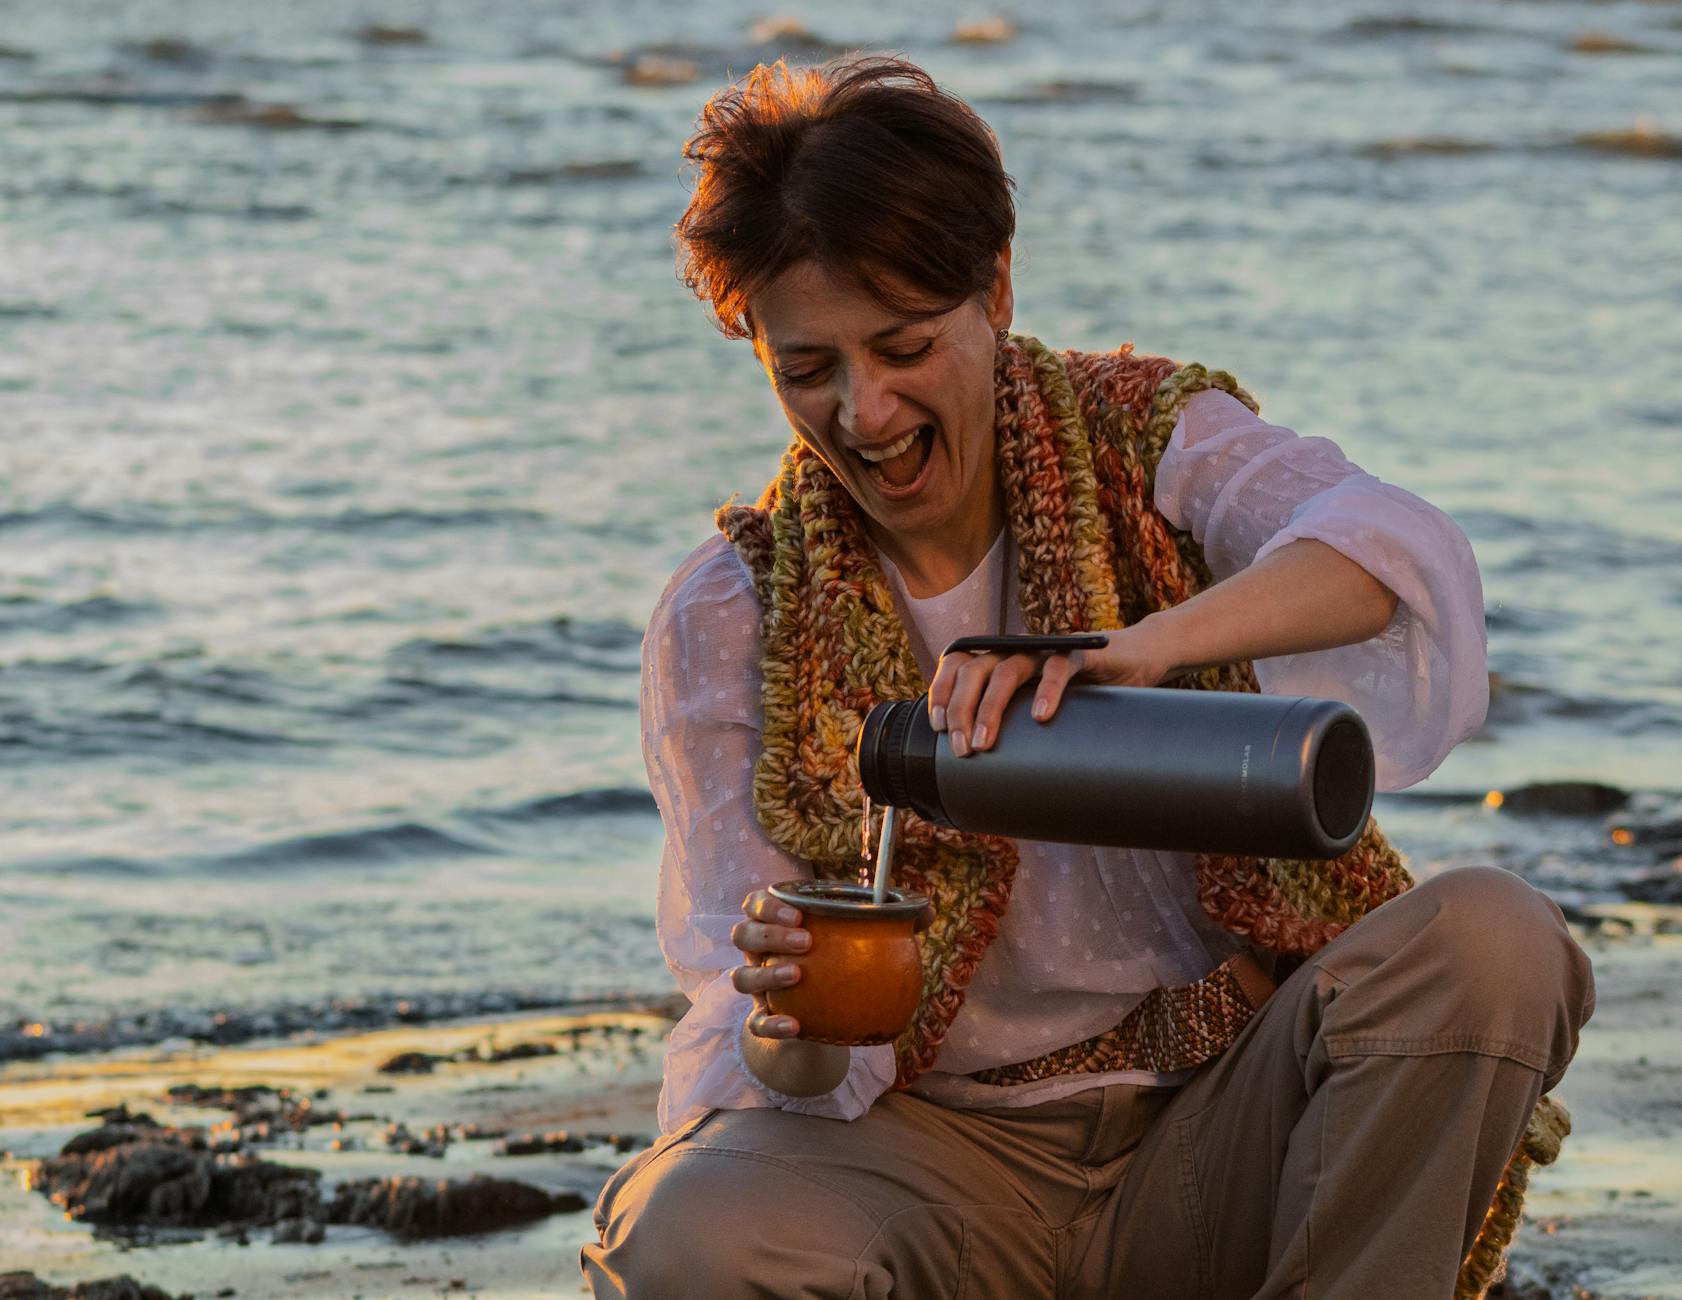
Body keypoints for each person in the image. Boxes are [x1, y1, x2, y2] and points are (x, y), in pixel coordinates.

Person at [583, 55, 1594, 1300]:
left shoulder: (1138, 440)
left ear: (995, 287)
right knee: (685, 1231)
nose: (865, 412)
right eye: (807, 369)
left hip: (1217, 1137)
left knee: (1491, 939)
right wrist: (791, 1025)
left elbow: (1390, 549)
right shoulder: (732, 610)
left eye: (903, 346)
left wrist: (1147, 647)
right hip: (936, 1167)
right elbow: (776, 1052)